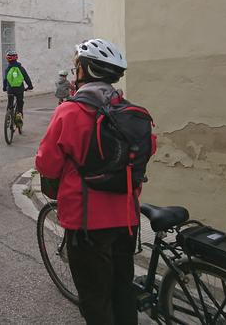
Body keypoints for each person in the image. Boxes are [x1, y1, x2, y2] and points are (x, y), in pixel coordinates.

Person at [35, 39, 140, 325]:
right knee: (123, 289)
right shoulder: (128, 110)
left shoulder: (70, 111)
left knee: (95, 298)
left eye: (76, 65)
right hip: (127, 217)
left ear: (85, 70)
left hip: (86, 222)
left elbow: (46, 163)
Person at [2, 50, 33, 126]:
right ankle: (19, 115)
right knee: (20, 102)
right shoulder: (21, 68)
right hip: (19, 89)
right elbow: (26, 78)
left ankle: (8, 116)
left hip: (10, 90)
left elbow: (5, 79)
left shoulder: (7, 69)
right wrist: (30, 86)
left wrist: (4, 88)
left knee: (10, 103)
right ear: (16, 58)